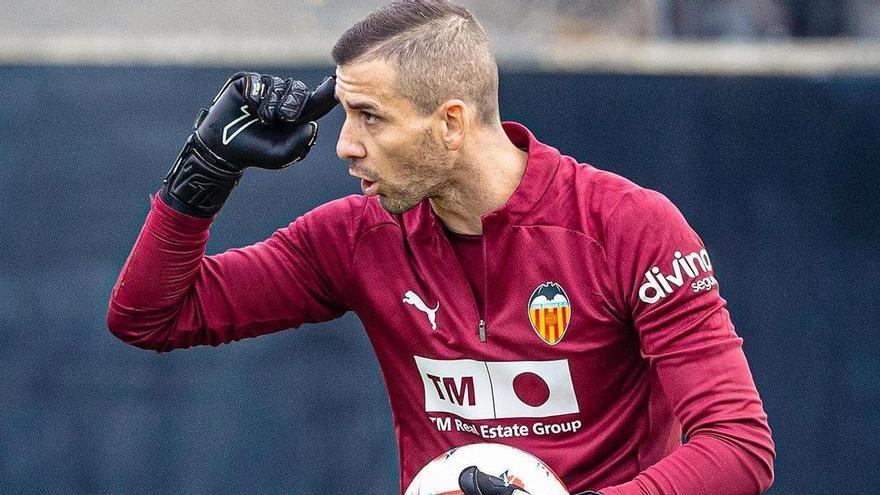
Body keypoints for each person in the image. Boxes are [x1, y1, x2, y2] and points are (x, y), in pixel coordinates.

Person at [106, 1, 775, 494]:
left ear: (451, 123)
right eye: (346, 114)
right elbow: (149, 317)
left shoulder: (628, 227)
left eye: (370, 116)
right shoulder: (355, 236)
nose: (345, 145)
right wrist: (205, 169)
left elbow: (738, 446)